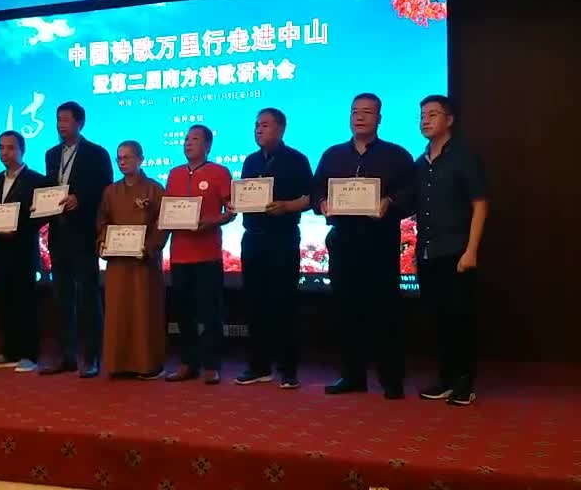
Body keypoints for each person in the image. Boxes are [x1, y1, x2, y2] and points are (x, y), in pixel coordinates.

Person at [314, 93, 415, 399]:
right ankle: (352, 376)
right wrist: (323, 203)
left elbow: (411, 193)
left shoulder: (397, 155)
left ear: (379, 119)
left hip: (380, 242)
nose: (359, 117)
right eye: (355, 111)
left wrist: (389, 202)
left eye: (367, 112)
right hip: (343, 241)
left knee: (386, 311)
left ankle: (391, 379)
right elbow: (316, 190)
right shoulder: (332, 155)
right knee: (347, 311)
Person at [414, 95, 488, 406]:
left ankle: (464, 383)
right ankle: (445, 379)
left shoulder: (464, 158)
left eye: (433, 114)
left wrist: (471, 250)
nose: (425, 120)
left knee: (461, 319)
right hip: (427, 252)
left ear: (450, 120)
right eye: (422, 115)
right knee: (438, 319)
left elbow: (480, 204)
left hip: (457, 252)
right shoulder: (420, 163)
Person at [232, 108, 313, 390]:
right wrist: (235, 204)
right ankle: (258, 366)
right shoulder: (250, 161)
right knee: (254, 304)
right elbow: (245, 196)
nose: (258, 130)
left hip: (282, 238)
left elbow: (311, 197)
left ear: (281, 128)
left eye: (265, 125)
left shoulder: (297, 159)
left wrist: (288, 206)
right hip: (253, 239)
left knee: (284, 303)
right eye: (256, 125)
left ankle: (288, 369)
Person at [40, 101, 112, 378]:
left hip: (83, 233)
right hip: (58, 233)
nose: (60, 125)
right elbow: (49, 188)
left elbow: (106, 189)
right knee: (62, 298)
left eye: (66, 120)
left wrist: (80, 199)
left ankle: (92, 357)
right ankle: (65, 356)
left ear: (80, 123)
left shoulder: (97, 153)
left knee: (88, 297)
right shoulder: (51, 154)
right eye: (58, 120)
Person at [164, 125, 233, 385]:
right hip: (179, 255)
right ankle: (187, 363)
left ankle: (211, 365)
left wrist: (211, 221)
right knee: (183, 312)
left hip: (207, 254)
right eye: (186, 139)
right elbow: (168, 210)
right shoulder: (174, 174)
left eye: (194, 139)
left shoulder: (219, 172)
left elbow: (231, 211)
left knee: (209, 312)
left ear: (208, 145)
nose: (188, 143)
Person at [97, 141, 169, 379]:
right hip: (118, 263)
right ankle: (117, 364)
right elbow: (103, 222)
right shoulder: (110, 191)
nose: (122, 162)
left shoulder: (154, 189)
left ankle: (147, 365)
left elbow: (162, 223)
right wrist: (104, 242)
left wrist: (149, 247)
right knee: (117, 312)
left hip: (143, 262)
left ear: (141, 159)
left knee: (144, 311)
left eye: (127, 157)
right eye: (119, 158)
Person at [0, 131, 47, 373]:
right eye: (1, 147)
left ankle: (29, 354)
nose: (5, 152)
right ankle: (8, 351)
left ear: (22, 150)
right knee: (3, 303)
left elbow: (42, 216)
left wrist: (17, 228)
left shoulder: (36, 180)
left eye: (10, 147)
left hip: (23, 250)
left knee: (25, 303)